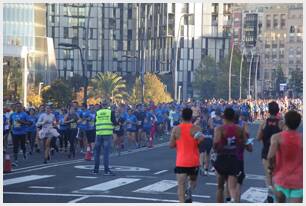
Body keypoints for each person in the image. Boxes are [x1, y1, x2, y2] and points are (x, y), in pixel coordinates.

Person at [169, 108, 205, 203]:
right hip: (193, 161)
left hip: (181, 161)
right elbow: (201, 143)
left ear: (181, 116)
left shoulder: (176, 129)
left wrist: (178, 141)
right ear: (191, 117)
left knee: (180, 185)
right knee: (193, 181)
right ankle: (189, 190)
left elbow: (171, 145)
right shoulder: (196, 128)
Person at [267, 110, 303, 203]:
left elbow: (270, 156)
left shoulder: (276, 137)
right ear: (299, 124)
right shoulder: (302, 139)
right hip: (298, 180)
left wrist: (270, 169)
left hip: (281, 178)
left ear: (285, 122)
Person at [213, 107, 245, 203]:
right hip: (233, 158)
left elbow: (216, 143)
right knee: (232, 187)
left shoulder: (219, 129)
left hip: (222, 158)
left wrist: (217, 147)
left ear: (224, 117)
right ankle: (233, 200)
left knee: (220, 187)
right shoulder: (239, 129)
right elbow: (243, 142)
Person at [257, 101, 284, 203]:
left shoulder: (264, 123)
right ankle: (277, 195)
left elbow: (258, 137)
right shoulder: (281, 123)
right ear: (278, 110)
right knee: (277, 174)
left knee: (268, 173)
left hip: (266, 152)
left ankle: (269, 190)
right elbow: (285, 137)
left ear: (268, 111)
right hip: (278, 152)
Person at [93, 101, 117, 176]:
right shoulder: (110, 112)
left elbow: (95, 123)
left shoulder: (98, 112)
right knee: (106, 153)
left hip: (98, 134)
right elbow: (115, 123)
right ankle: (106, 170)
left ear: (101, 105)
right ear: (107, 105)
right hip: (107, 134)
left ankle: (95, 170)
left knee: (97, 153)